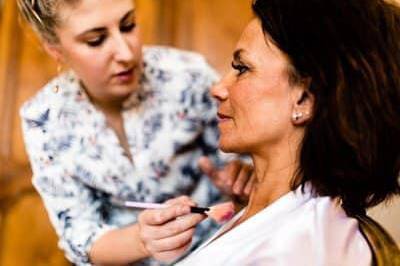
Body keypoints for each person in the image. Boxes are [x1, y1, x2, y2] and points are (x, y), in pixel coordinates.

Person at [138, 0, 400, 265]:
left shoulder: (302, 246)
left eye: (242, 69)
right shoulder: (267, 216)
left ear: (305, 100)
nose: (218, 88)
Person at [17, 0, 253, 265]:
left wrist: (242, 180)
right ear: (56, 50)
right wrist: (143, 240)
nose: (126, 54)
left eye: (128, 25)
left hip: (222, 248)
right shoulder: (43, 119)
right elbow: (82, 238)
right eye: (96, 40)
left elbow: (247, 167)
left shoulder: (188, 75)